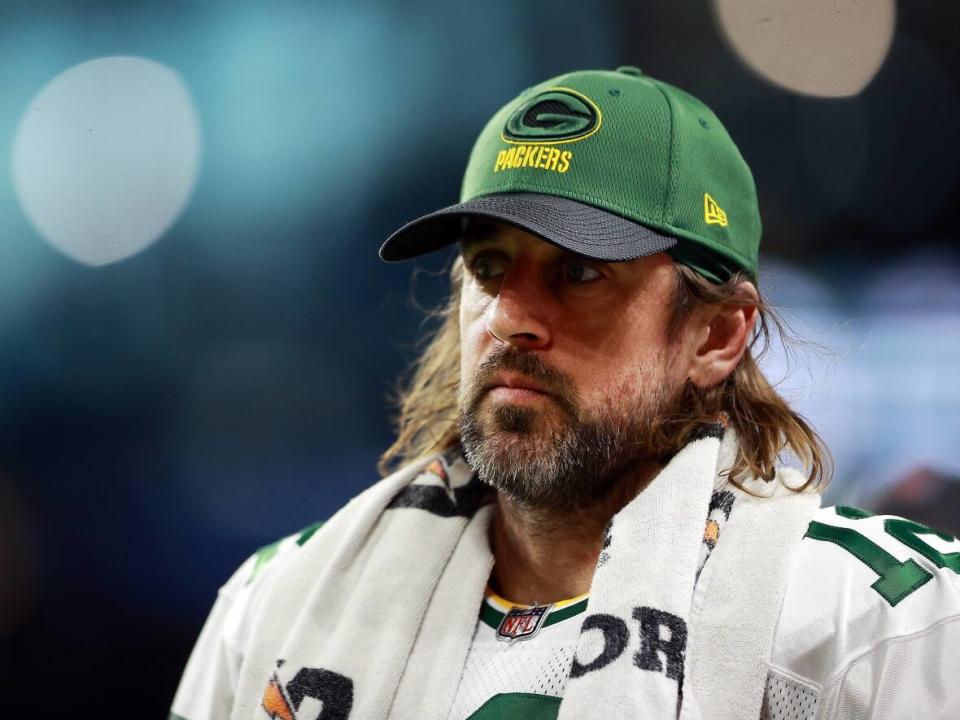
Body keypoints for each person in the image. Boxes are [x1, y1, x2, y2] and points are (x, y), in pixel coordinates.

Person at [170, 67, 960, 720]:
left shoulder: (882, 624)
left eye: (579, 273)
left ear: (716, 335)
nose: (511, 317)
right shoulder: (273, 608)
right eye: (487, 267)